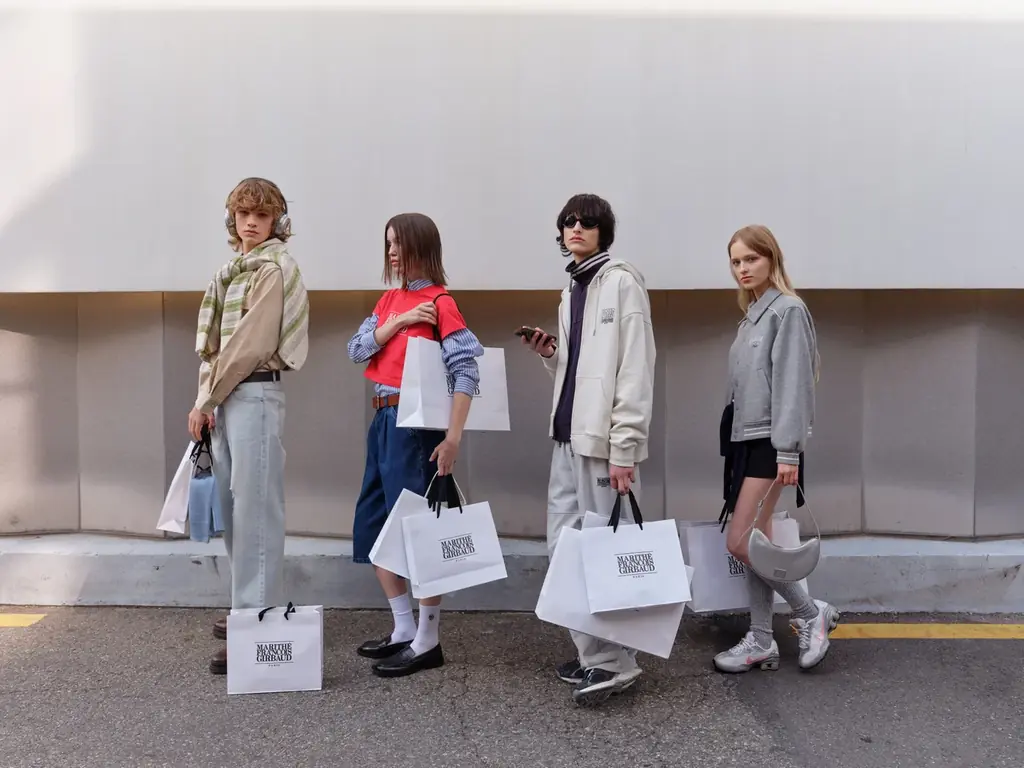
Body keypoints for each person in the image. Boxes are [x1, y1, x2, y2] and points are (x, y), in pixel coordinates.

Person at [522, 193, 656, 705]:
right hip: (567, 437)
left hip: (603, 445)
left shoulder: (622, 283)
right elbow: (582, 370)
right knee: (565, 552)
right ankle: (594, 653)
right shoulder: (572, 289)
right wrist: (552, 355)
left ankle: (614, 661)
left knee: (601, 554)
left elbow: (635, 368)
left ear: (603, 232)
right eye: (568, 222)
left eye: (586, 222)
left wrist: (626, 446)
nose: (575, 228)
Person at [347, 212, 483, 678]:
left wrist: (453, 438)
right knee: (375, 526)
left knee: (421, 533)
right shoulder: (390, 301)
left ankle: (428, 639)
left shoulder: (441, 302)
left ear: (421, 246)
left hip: (416, 427)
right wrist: (400, 320)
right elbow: (356, 349)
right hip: (383, 421)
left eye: (399, 243)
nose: (391, 252)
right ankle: (403, 626)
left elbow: (467, 371)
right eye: (387, 243)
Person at [191, 177, 310, 675]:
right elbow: (218, 348)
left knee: (257, 510)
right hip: (230, 395)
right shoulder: (233, 272)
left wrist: (208, 397)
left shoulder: (274, 269)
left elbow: (249, 344)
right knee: (233, 508)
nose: (251, 223)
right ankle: (248, 605)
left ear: (277, 220)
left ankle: (257, 622)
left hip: (255, 392)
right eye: (244, 214)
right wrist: (205, 399)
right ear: (232, 218)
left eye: (262, 215)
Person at [713, 224, 839, 674]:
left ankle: (809, 612)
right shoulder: (753, 316)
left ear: (772, 259)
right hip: (747, 441)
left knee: (740, 542)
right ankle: (762, 640)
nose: (742, 269)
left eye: (751, 259)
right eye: (736, 261)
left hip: (771, 444)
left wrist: (788, 451)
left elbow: (794, 385)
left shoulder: (787, 311)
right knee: (757, 544)